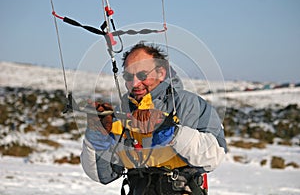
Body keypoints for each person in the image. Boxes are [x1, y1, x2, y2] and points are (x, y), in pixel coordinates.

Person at [80, 42, 227, 195]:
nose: (135, 83)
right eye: (128, 76)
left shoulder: (190, 104)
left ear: (161, 73)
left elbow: (213, 158)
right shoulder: (120, 114)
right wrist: (96, 136)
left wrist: (171, 131)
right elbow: (101, 175)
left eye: (142, 75)